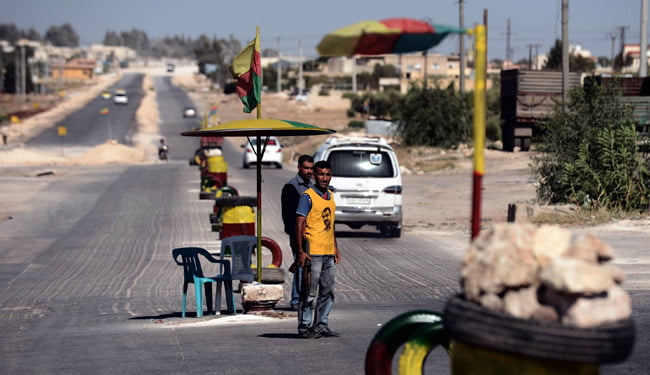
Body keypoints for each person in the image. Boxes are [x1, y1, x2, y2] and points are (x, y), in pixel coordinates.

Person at [295, 160, 341, 338]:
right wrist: (300, 251)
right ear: (314, 175)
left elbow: (331, 225)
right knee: (309, 292)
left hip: (328, 252)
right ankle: (305, 326)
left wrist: (335, 248)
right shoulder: (307, 196)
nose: (325, 178)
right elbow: (299, 223)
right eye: (321, 174)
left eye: (328, 174)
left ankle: (321, 324)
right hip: (313, 252)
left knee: (327, 291)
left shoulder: (330, 196)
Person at [281, 155, 314, 310]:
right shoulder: (291, 187)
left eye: (311, 168)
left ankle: (307, 299)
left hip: (313, 235)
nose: (309, 171)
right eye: (306, 168)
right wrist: (294, 236)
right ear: (299, 167)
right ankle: (296, 300)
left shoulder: (313, 186)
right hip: (298, 235)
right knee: (300, 267)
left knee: (310, 269)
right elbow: (288, 217)